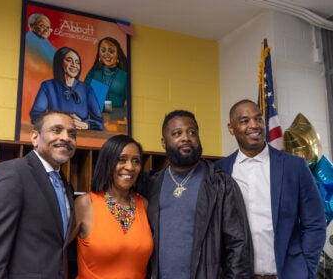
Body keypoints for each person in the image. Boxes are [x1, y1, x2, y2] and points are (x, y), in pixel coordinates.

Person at [216, 99, 326, 279]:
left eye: (258, 119)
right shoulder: (220, 170)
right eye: (245, 121)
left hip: (287, 274)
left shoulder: (294, 166)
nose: (254, 125)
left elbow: (315, 222)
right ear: (231, 128)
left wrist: (306, 269)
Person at [140, 109, 254, 278]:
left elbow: (238, 247)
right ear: (164, 142)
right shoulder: (151, 184)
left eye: (192, 132)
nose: (186, 137)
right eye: (177, 133)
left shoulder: (220, 183)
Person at [0, 110, 77, 278]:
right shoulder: (11, 174)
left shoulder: (66, 186)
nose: (66, 137)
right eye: (56, 130)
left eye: (72, 134)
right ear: (35, 137)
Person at [70, 134, 153, 278]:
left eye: (136, 161)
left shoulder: (144, 204)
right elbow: (55, 251)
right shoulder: (85, 204)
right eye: (122, 160)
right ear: (107, 163)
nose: (130, 167)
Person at [30, 47, 104, 131]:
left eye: (77, 62)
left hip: (82, 136)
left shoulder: (87, 89)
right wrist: (63, 121)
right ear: (60, 63)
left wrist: (86, 125)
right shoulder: (48, 86)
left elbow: (99, 123)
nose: (74, 65)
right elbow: (36, 116)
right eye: (69, 60)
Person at [84, 37, 128, 119]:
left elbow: (129, 106)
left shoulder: (124, 76)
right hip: (93, 118)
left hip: (116, 120)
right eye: (103, 50)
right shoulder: (94, 72)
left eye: (111, 51)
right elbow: (83, 94)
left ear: (118, 55)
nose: (106, 54)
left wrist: (116, 115)